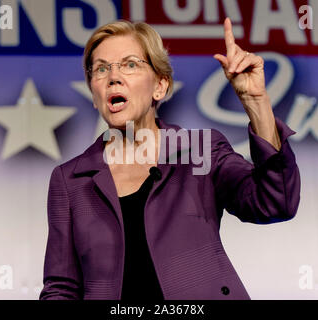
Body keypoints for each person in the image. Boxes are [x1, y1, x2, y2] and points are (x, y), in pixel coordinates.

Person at [39, 18, 300, 300]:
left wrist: (255, 101)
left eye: (129, 64)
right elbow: (62, 288)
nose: (113, 76)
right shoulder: (70, 180)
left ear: (160, 87)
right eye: (101, 69)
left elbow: (276, 203)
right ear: (94, 94)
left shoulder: (199, 151)